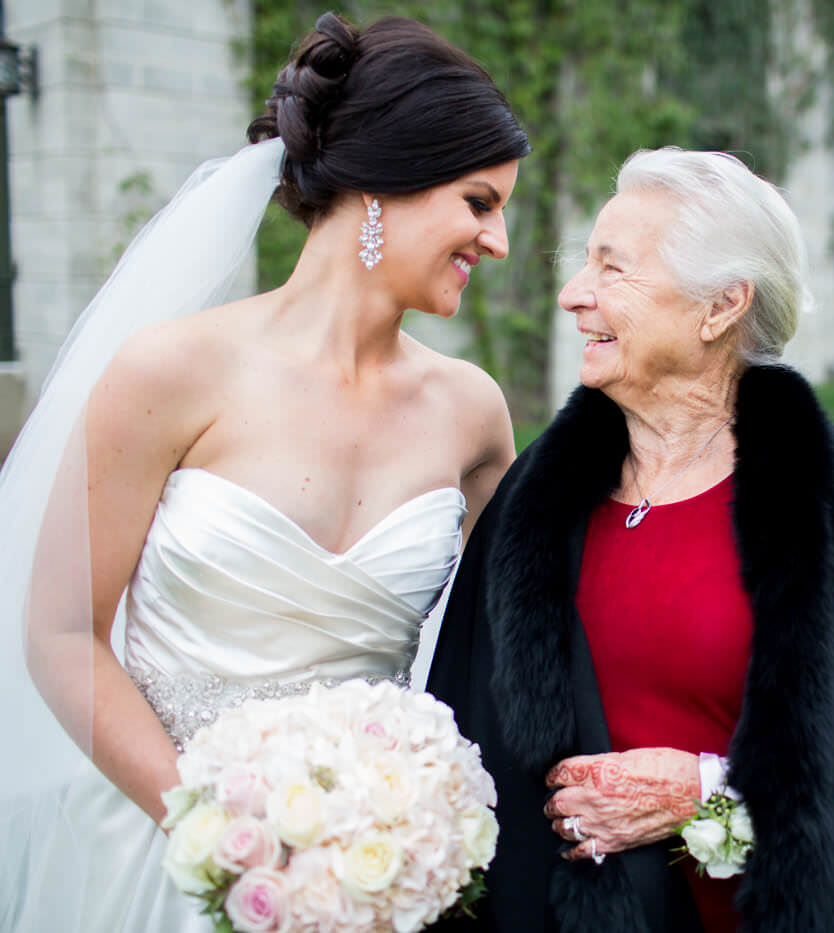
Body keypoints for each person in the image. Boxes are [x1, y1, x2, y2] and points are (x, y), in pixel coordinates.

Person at [0, 12, 529, 932]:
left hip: (374, 881)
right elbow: (58, 635)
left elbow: (512, 651)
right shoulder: (167, 372)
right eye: (479, 202)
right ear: (381, 188)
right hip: (166, 858)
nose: (499, 240)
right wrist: (224, 839)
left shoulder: (472, 413)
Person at [427, 148, 834, 932]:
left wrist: (706, 791)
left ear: (721, 306)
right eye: (584, 264)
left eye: (613, 269)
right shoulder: (541, 492)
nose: (574, 295)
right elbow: (470, 731)